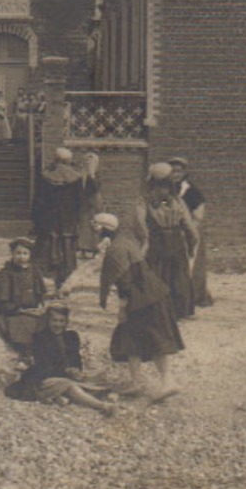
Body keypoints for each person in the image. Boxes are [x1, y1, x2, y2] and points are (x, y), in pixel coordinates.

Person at [95, 211, 183, 401]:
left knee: (155, 338)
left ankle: (168, 382)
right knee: (130, 338)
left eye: (97, 230)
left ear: (103, 230)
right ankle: (136, 382)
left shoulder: (116, 249)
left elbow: (125, 280)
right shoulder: (125, 241)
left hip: (144, 298)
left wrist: (122, 307)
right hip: (149, 294)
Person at [4, 304, 116, 416]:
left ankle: (61, 397)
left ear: (66, 322)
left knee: (96, 379)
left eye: (61, 321)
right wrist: (67, 372)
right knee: (69, 385)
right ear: (48, 321)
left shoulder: (72, 336)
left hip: (68, 375)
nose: (58, 324)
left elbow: (75, 357)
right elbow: (43, 366)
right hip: (45, 378)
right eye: (54, 321)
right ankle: (102, 406)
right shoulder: (40, 337)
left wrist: (76, 369)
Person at [142, 162, 198, 320]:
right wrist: (192, 245)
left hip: (157, 240)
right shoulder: (177, 201)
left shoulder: (146, 201)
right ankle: (181, 310)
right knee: (178, 275)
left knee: (158, 274)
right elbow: (190, 228)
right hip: (175, 240)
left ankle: (159, 310)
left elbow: (140, 225)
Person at [0, 237, 48, 354]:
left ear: (30, 255)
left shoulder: (34, 272)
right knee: (22, 325)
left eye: (25, 253)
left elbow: (40, 294)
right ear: (12, 254)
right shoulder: (5, 274)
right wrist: (20, 309)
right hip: (12, 313)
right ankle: (23, 353)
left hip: (32, 310)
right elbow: (2, 304)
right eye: (18, 253)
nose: (21, 257)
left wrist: (39, 306)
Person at [36, 147, 86, 290]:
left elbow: (39, 201)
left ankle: (47, 283)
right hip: (68, 222)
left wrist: (37, 221)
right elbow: (80, 202)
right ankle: (64, 282)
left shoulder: (45, 176)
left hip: (48, 222)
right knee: (67, 252)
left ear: (55, 159)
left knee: (46, 252)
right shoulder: (76, 178)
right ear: (69, 161)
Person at [169, 157, 214, 309]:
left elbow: (199, 212)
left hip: (189, 230)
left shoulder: (190, 191)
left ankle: (194, 295)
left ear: (184, 173)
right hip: (172, 230)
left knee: (191, 263)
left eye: (179, 171)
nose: (176, 174)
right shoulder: (166, 189)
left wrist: (191, 228)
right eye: (173, 171)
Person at [76, 151, 103, 258]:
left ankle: (94, 248)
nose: (88, 164)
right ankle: (83, 248)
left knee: (94, 225)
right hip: (83, 204)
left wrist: (92, 175)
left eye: (91, 162)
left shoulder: (97, 175)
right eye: (86, 162)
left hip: (94, 203)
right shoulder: (80, 176)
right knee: (83, 226)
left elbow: (96, 188)